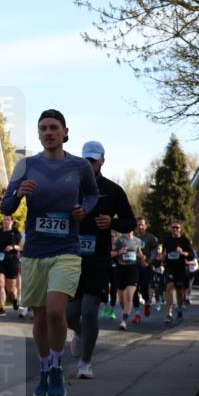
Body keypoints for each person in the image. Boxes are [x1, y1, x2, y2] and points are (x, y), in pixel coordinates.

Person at [0, 111, 99, 396]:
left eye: (53, 128)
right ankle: (44, 370)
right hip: (34, 251)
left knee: (57, 311)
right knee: (40, 319)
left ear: (65, 132)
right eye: (42, 128)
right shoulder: (26, 165)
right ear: (38, 133)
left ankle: (56, 368)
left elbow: (92, 195)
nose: (48, 132)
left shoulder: (80, 166)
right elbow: (6, 207)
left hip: (67, 249)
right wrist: (19, 192)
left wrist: (84, 210)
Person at [65, 141, 134, 376]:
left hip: (98, 259)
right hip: (72, 257)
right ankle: (80, 332)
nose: (90, 165)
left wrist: (112, 223)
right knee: (70, 314)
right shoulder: (71, 186)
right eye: (86, 161)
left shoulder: (113, 190)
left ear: (102, 160)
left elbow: (130, 222)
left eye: (93, 161)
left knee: (90, 309)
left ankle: (85, 363)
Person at [162, 221, 194, 324]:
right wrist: (162, 258)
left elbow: (191, 255)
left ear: (181, 229)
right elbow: (164, 253)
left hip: (180, 269)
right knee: (169, 288)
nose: (175, 229)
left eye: (177, 227)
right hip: (170, 268)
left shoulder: (185, 241)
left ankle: (179, 310)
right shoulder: (167, 240)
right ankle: (169, 314)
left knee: (179, 292)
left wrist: (182, 252)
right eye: (173, 228)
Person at [113, 229, 144, 330]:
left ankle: (123, 321)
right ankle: (126, 311)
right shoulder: (119, 241)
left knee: (129, 295)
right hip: (121, 270)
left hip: (133, 270)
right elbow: (110, 252)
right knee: (122, 299)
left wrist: (142, 256)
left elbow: (139, 253)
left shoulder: (138, 241)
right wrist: (119, 252)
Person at [0, 215, 22, 316]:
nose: (5, 221)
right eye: (4, 220)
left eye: (8, 220)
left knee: (10, 288)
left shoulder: (16, 233)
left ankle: (15, 298)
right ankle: (2, 309)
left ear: (12, 222)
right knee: (0, 284)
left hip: (12, 261)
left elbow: (21, 246)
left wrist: (13, 247)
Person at [133, 217, 159, 316]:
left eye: (142, 225)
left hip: (145, 267)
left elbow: (154, 252)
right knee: (134, 288)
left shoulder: (151, 238)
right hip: (134, 266)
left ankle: (147, 302)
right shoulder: (132, 236)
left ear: (146, 226)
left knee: (144, 288)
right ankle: (137, 313)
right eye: (138, 225)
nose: (140, 227)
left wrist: (148, 262)